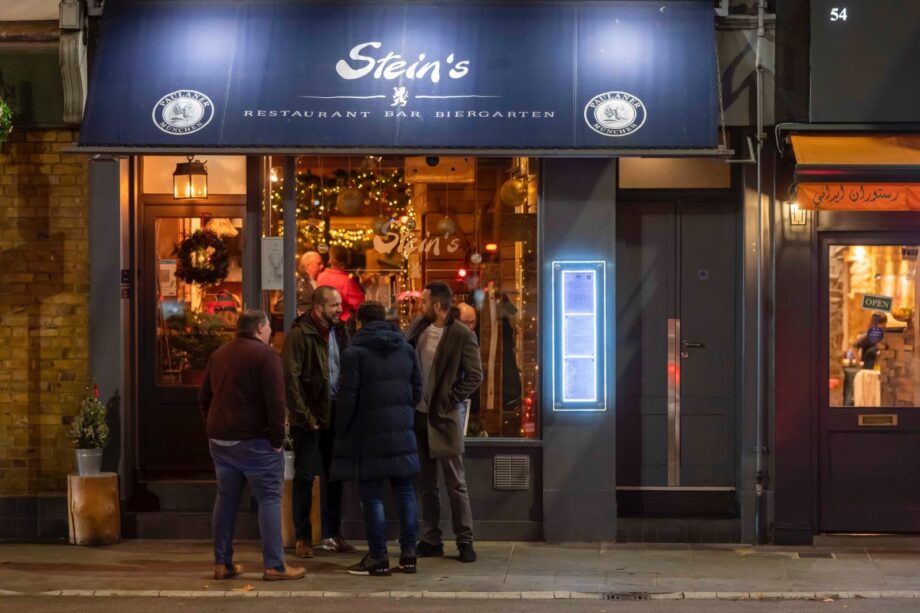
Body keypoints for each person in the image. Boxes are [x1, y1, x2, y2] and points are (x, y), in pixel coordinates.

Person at [199, 310, 305, 582]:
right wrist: (278, 440)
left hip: (221, 441)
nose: (271, 330)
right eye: (269, 325)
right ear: (260, 328)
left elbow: (204, 396)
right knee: (269, 499)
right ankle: (275, 566)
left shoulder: (219, 354)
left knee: (226, 499)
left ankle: (222, 564)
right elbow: (276, 402)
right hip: (256, 442)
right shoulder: (266, 355)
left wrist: (214, 426)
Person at [330, 301, 423, 577]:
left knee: (372, 496)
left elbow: (347, 398)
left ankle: (378, 557)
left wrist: (342, 428)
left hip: (368, 433)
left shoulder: (354, 353)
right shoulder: (406, 349)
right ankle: (409, 555)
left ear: (359, 322)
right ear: (385, 319)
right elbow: (417, 388)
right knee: (405, 491)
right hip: (402, 430)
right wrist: (404, 412)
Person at [405, 281, 484, 563]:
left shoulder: (461, 335)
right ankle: (431, 538)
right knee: (427, 483)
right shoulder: (418, 328)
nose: (420, 306)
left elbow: (475, 376)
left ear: (437, 305)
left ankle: (465, 540)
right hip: (419, 417)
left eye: (424, 302)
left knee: (455, 482)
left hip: (445, 418)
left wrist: (449, 399)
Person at [282, 286, 356, 559]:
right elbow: (291, 380)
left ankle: (332, 534)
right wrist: (305, 417)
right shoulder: (299, 336)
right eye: (334, 305)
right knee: (304, 477)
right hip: (310, 418)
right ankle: (303, 537)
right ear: (317, 308)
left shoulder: (342, 331)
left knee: (335, 476)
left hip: (336, 414)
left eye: (339, 304)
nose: (339, 309)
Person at [317, 245, 365, 322]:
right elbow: (361, 305)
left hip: (324, 323)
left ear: (331, 259)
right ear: (347, 260)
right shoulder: (346, 281)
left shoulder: (321, 277)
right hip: (342, 326)